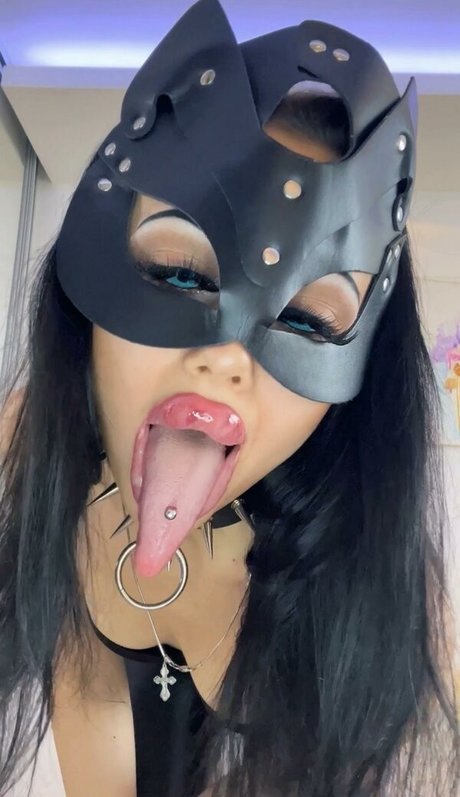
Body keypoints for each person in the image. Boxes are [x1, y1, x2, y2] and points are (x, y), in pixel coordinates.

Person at [0, 1, 458, 795]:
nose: (225, 360)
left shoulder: (379, 588)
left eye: (309, 320)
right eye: (179, 273)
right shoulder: (22, 454)